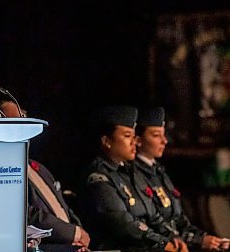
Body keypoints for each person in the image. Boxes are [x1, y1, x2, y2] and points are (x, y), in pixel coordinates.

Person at [81, 105, 188, 252]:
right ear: (106, 141)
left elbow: (153, 216)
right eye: (126, 136)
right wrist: (162, 243)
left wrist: (171, 237)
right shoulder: (98, 178)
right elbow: (123, 224)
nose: (133, 142)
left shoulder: (129, 173)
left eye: (133, 136)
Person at [0, 100, 91, 251]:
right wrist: (73, 233)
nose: (21, 127)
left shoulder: (38, 168)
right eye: (14, 122)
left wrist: (78, 232)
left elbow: (62, 207)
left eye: (24, 120)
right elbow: (23, 212)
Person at [135, 107, 229, 251]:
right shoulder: (134, 174)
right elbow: (152, 222)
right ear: (138, 140)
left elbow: (178, 219)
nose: (164, 141)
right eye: (155, 135)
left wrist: (205, 238)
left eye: (163, 135)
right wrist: (197, 240)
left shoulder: (157, 171)